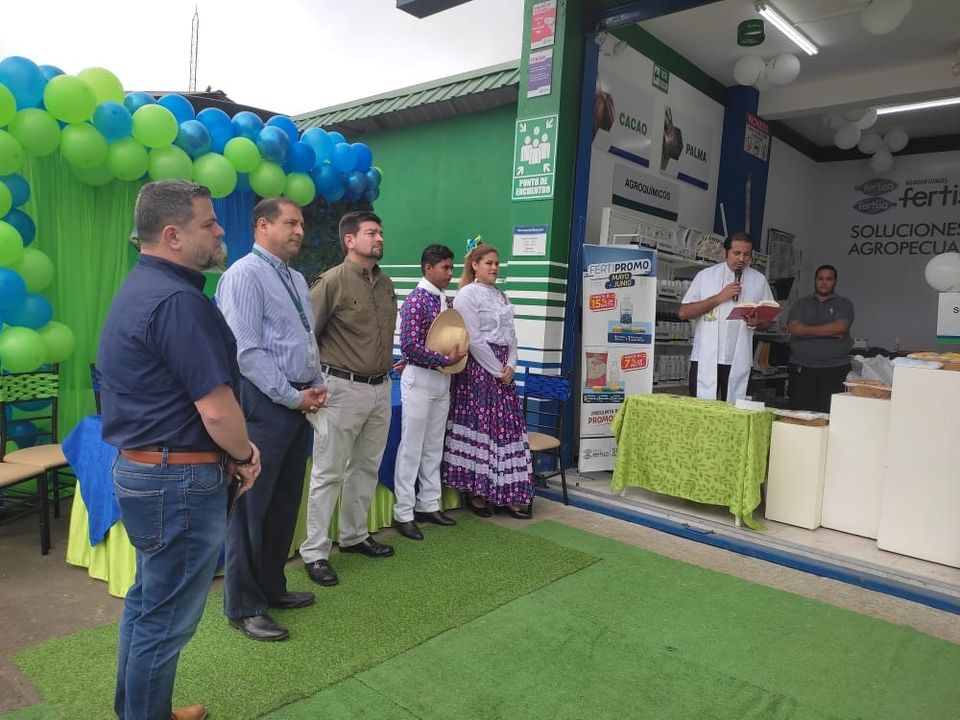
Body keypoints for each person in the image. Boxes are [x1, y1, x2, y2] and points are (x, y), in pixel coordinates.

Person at [98, 180, 261, 720]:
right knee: (165, 620)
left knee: (149, 604)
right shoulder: (178, 301)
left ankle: (142, 712)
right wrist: (244, 454)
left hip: (148, 472)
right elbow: (215, 410)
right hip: (179, 482)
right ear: (172, 235)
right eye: (208, 224)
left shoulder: (143, 285)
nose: (220, 231)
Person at [215, 197, 327, 642]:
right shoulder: (243, 275)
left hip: (297, 402)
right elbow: (247, 352)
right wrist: (292, 397)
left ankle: (271, 587)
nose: (299, 231)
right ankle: (243, 606)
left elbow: (305, 339)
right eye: (290, 223)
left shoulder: (296, 278)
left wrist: (316, 384)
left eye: (301, 224)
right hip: (263, 404)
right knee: (251, 510)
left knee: (283, 503)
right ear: (262, 225)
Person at [299, 210, 398, 587]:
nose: (379, 238)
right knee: (328, 473)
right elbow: (306, 337)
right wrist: (311, 384)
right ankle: (315, 552)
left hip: (380, 388)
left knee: (366, 468)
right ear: (350, 240)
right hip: (341, 388)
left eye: (380, 232)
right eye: (371, 233)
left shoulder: (385, 283)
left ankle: (354, 536)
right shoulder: (331, 282)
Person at [441, 242, 534, 518]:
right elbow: (474, 339)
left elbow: (511, 336)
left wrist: (512, 365)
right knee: (482, 428)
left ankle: (508, 494)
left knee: (506, 430)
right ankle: (477, 492)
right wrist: (498, 370)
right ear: (475, 265)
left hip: (503, 370)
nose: (494, 268)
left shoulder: (501, 296)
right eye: (489, 263)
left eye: (496, 263)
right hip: (480, 372)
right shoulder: (467, 295)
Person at [392, 244, 465, 540]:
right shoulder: (415, 300)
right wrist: (444, 359)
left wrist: (447, 362)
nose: (450, 273)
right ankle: (404, 512)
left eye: (451, 267)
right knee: (411, 447)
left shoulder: (445, 299)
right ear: (428, 268)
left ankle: (429, 504)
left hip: (441, 379)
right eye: (445, 268)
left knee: (434, 446)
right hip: (421, 378)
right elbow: (409, 346)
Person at [679, 232, 775, 402]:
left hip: (739, 357)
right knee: (701, 408)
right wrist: (720, 297)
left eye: (746, 254)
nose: (741, 259)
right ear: (725, 252)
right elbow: (684, 312)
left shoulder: (759, 281)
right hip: (705, 357)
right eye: (736, 253)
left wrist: (757, 322)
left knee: (735, 409)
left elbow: (768, 321)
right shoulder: (706, 276)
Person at [787, 264, 855, 413]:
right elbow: (794, 329)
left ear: (835, 282)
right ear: (815, 280)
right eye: (820, 279)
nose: (824, 283)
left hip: (835, 369)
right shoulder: (801, 303)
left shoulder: (844, 304)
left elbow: (840, 328)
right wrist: (829, 332)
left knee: (831, 416)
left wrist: (805, 331)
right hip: (802, 369)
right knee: (799, 416)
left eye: (829, 279)